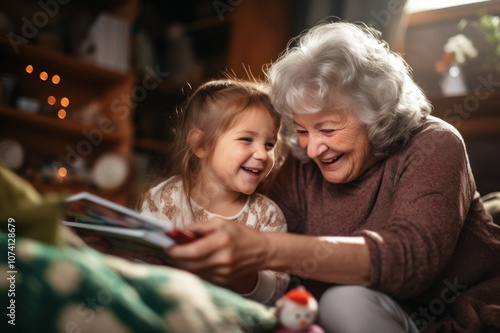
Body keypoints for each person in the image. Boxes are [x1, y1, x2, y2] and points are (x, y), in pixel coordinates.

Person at [162, 21, 500, 333]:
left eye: (328, 129)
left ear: (375, 114)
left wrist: (262, 248)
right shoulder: (301, 164)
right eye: (302, 130)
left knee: (343, 301)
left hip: (461, 318)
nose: (312, 149)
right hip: (350, 319)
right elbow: (270, 265)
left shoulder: (435, 144)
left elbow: (408, 261)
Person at [137, 78, 290, 305]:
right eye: (247, 140)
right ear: (201, 145)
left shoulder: (267, 215)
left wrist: (239, 276)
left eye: (269, 144)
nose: (262, 154)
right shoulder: (163, 198)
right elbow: (139, 265)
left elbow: (276, 287)